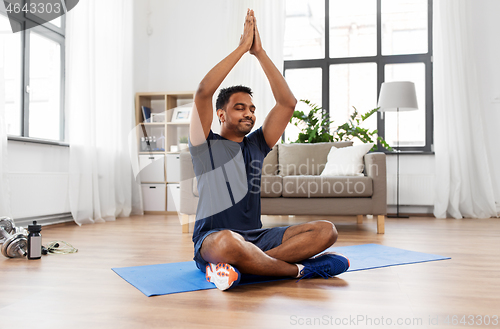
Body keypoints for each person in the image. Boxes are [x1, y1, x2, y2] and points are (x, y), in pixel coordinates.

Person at [189, 9, 349, 291]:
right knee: (229, 242)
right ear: (221, 115)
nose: (249, 114)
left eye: (252, 109)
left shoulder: (257, 145)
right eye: (240, 108)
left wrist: (259, 52)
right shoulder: (205, 145)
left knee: (326, 231)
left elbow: (287, 102)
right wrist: (242, 49)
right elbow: (203, 91)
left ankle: (241, 271)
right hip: (214, 239)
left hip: (257, 237)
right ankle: (298, 271)